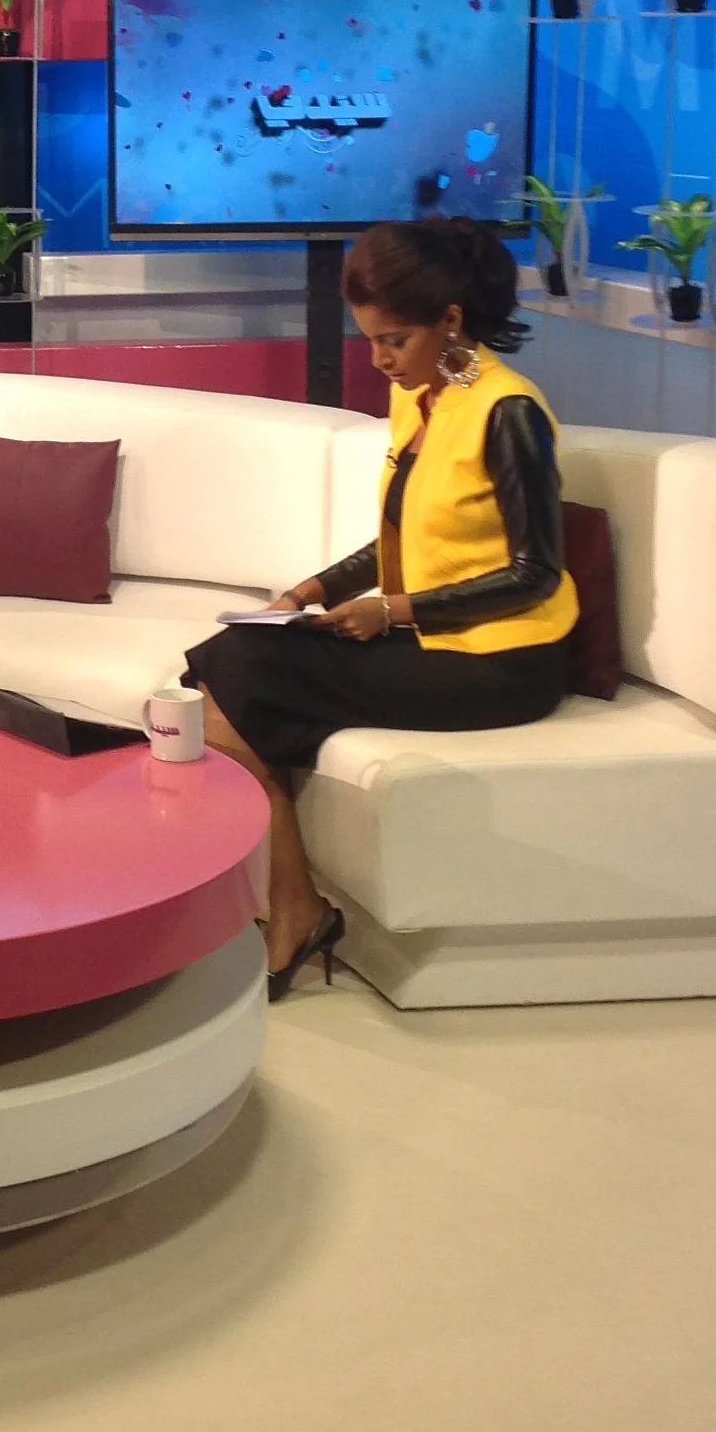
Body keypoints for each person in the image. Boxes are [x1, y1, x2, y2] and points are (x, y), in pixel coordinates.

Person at [184, 216, 578, 1000]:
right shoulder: (423, 397)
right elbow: (406, 533)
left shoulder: (509, 411)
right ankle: (294, 904)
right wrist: (312, 592)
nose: (379, 361)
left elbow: (536, 574)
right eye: (369, 341)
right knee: (224, 670)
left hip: (505, 660)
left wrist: (394, 612)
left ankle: (294, 909)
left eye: (394, 341)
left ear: (450, 321)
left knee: (232, 675)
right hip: (436, 636)